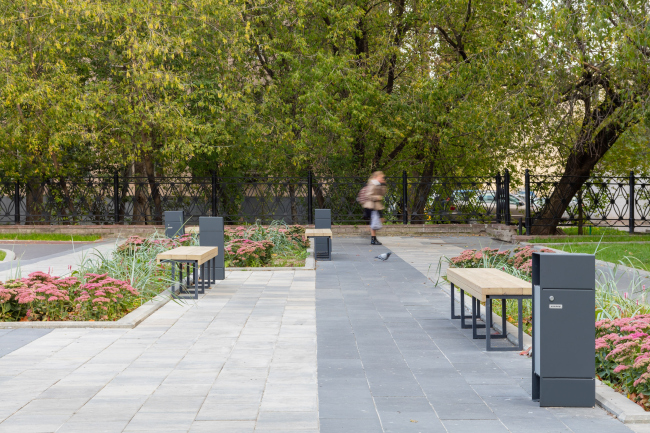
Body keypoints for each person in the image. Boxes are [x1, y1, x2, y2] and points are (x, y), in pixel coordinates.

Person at [363, 171, 387, 245]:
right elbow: (368, 195)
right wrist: (376, 197)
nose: (382, 178)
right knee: (374, 223)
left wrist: (383, 185)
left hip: (376, 206)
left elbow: (383, 193)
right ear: (376, 177)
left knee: (374, 223)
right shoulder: (372, 184)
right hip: (371, 206)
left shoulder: (378, 184)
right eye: (381, 177)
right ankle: (373, 239)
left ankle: (373, 238)